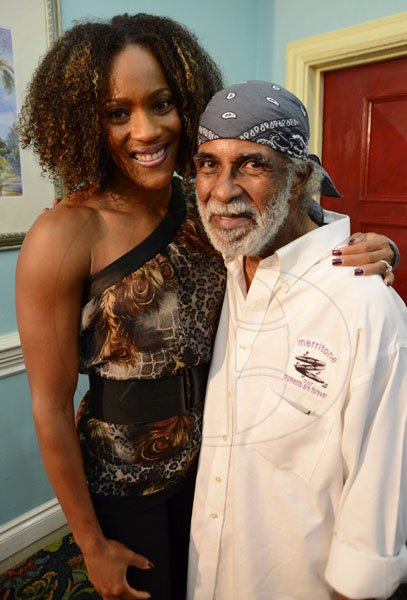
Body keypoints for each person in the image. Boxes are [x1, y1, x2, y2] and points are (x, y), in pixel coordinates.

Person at [15, 13, 398, 600]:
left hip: (220, 467)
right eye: (118, 112)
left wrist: (381, 247)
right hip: (126, 487)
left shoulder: (204, 204)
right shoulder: (64, 234)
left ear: (186, 105)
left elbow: (291, 230)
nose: (144, 131)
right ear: (83, 120)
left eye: (161, 103)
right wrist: (89, 544)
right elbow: (48, 405)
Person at [187, 80, 407, 600]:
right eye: (208, 163)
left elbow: (376, 511)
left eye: (252, 164)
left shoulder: (366, 307)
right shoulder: (230, 263)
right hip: (210, 571)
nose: (221, 189)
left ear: (302, 175)